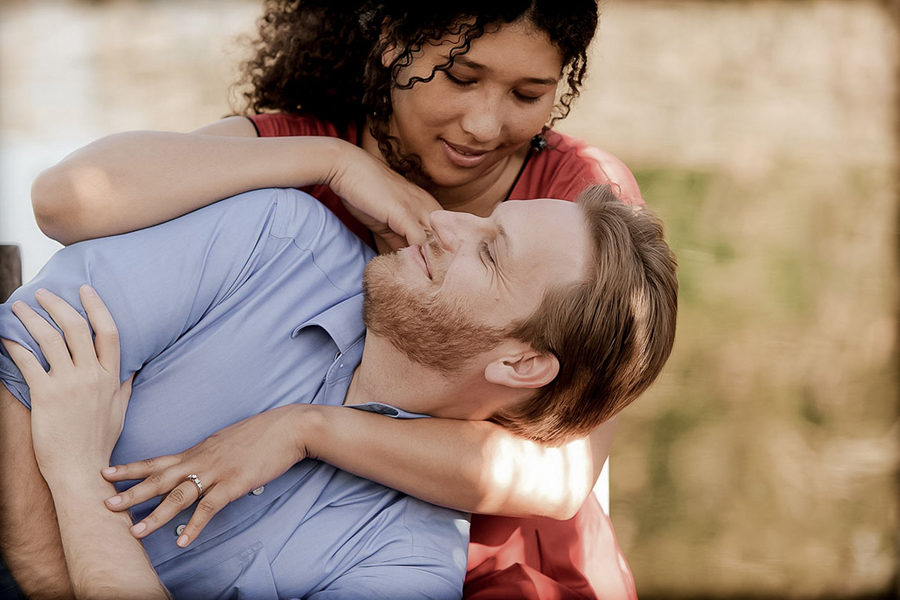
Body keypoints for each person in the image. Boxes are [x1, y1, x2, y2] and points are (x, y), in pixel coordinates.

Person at [20, 1, 650, 597]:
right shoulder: (301, 166)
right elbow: (67, 198)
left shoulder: (584, 205)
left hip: (499, 560)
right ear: (395, 44)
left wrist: (305, 429)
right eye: (459, 77)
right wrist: (333, 162)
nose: (485, 124)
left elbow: (562, 476)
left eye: (527, 95)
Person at [0, 184, 678, 598]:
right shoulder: (276, 241)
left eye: (489, 251)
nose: (445, 223)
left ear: (522, 364)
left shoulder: (403, 563)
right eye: (482, 217)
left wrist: (69, 472)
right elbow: (19, 351)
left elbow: (42, 401)